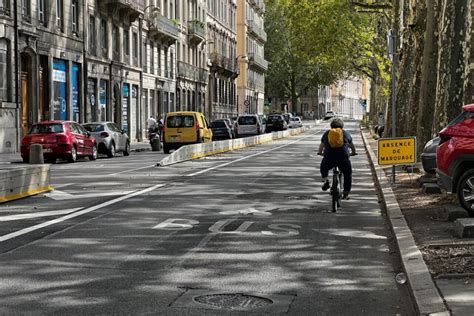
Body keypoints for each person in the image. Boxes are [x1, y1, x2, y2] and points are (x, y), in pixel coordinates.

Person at [317, 118, 357, 199]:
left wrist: (320, 153)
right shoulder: (345, 133)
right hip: (343, 158)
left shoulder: (327, 133)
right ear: (342, 126)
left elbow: (321, 146)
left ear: (331, 126)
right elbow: (352, 146)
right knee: (347, 173)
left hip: (329, 157)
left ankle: (326, 180)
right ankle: (346, 192)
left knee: (323, 166)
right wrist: (353, 152)